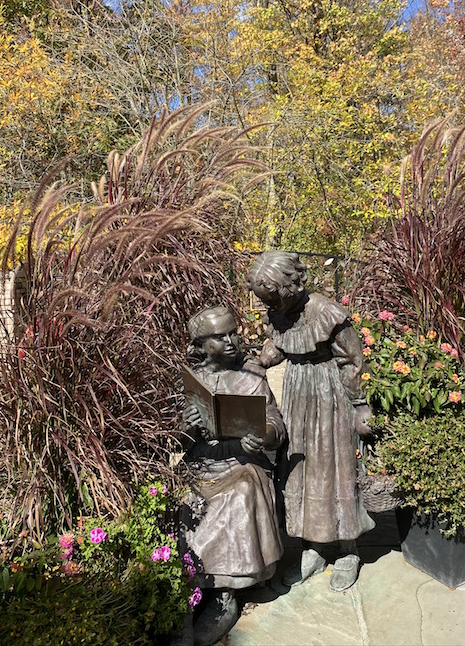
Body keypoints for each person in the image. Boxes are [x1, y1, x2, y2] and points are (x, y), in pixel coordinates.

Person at [247, 251, 373, 592]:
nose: (269, 307)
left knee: (336, 469)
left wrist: (360, 405)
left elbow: (352, 360)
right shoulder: (279, 313)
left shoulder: (326, 312)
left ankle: (348, 549)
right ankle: (314, 547)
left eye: (272, 298)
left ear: (290, 286)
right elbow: (281, 344)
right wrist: (261, 361)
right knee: (301, 469)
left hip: (329, 394)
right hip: (297, 393)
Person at [180, 305, 286, 646]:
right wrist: (186, 428)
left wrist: (264, 435)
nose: (230, 342)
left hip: (242, 460)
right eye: (219, 337)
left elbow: (275, 422)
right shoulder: (189, 379)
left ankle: (224, 594)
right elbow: (172, 437)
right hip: (202, 461)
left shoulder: (251, 375)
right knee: (183, 499)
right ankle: (190, 591)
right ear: (200, 344)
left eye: (233, 333)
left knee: (239, 493)